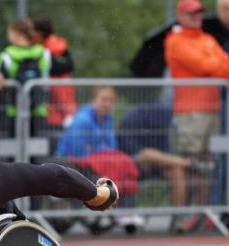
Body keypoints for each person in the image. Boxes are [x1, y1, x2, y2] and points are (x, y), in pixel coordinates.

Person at [164, 0, 229, 228]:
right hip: (190, 112)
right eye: (191, 14)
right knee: (187, 163)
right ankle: (180, 216)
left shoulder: (207, 39)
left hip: (211, 110)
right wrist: (215, 65)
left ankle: (199, 214)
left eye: (199, 13)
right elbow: (205, 66)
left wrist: (215, 65)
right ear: (180, 15)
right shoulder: (175, 40)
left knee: (205, 164)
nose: (197, 17)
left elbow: (222, 65)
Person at [117, 101, 215, 232]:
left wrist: (157, 160)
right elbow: (132, 152)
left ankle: (177, 219)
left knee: (176, 170)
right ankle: (188, 162)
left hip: (156, 165)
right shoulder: (131, 120)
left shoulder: (162, 124)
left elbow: (164, 152)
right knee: (147, 154)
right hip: (132, 165)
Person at [56, 86, 144, 232]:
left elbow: (111, 147)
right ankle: (118, 210)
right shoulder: (82, 120)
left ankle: (127, 210)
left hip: (97, 160)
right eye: (103, 100)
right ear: (93, 101)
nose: (107, 104)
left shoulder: (107, 118)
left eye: (111, 101)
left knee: (122, 163)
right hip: (73, 161)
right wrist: (101, 151)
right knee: (113, 165)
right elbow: (79, 151)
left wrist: (100, 151)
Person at [0, 18, 51, 135]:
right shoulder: (43, 53)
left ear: (16, 33)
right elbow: (46, 81)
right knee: (38, 149)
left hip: (13, 111)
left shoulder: (6, 56)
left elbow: (1, 87)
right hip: (39, 110)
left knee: (12, 150)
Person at [31, 16, 76, 149]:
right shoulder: (59, 47)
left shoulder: (43, 52)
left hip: (53, 113)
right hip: (63, 110)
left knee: (48, 150)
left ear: (39, 33)